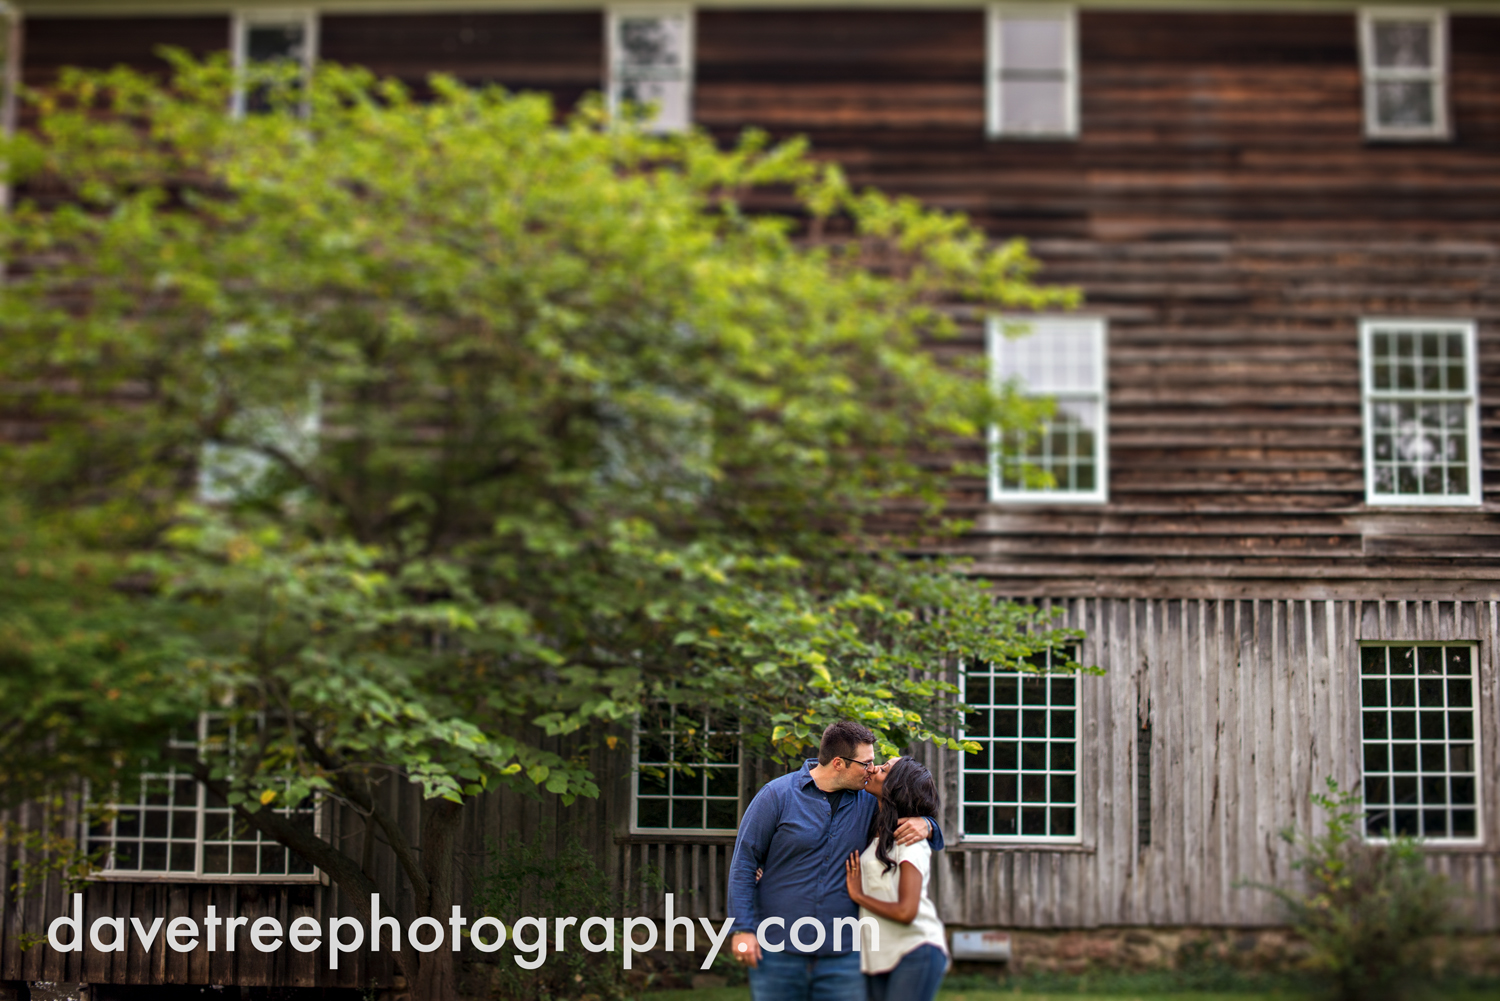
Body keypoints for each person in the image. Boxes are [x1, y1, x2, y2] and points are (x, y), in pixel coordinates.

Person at [727, 721, 944, 1001]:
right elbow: (744, 863)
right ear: (839, 763)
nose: (871, 770)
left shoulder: (869, 803)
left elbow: (906, 807)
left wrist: (928, 824)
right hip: (777, 950)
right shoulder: (776, 796)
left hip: (845, 955)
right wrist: (742, 930)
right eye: (866, 763)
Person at [844, 757, 949, 1001]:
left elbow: (906, 912)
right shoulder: (875, 825)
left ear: (897, 786)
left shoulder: (909, 840)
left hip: (914, 949)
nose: (873, 768)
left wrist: (859, 896)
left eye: (884, 769)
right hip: (880, 954)